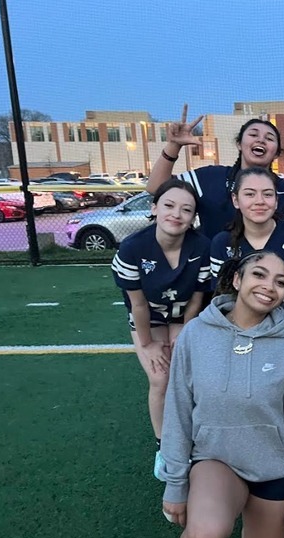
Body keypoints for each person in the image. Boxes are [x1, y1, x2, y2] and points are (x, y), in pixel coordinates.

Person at [160, 251, 284, 538]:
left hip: (272, 468)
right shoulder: (196, 334)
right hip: (216, 460)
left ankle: (260, 515)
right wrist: (175, 482)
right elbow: (177, 408)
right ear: (237, 280)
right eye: (259, 275)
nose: (269, 287)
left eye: (280, 282)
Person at [111, 178, 210, 480]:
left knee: (190, 374)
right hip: (149, 318)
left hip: (183, 314)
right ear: (154, 207)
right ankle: (163, 446)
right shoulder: (131, 249)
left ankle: (195, 437)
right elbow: (138, 305)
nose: (176, 214)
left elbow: (197, 296)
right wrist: (148, 343)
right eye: (168, 205)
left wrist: (184, 328)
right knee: (160, 378)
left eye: (185, 209)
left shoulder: (202, 246)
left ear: (193, 217)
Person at [146, 104, 284, 239]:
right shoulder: (211, 177)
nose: (261, 140)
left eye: (269, 138)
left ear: (277, 152)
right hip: (214, 271)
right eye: (253, 134)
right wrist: (174, 145)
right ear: (239, 144)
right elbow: (156, 188)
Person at [209, 167, 284, 332]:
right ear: (235, 200)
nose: (260, 201)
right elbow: (223, 300)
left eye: (268, 194)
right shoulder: (221, 243)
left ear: (277, 200)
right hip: (240, 329)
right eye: (250, 194)